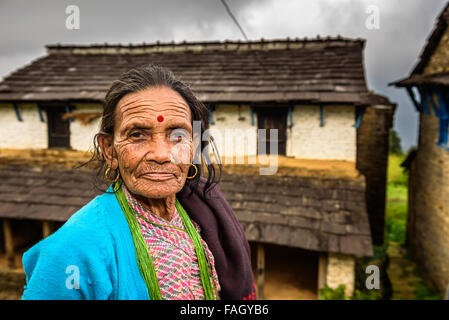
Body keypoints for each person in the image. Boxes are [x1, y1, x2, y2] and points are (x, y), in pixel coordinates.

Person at [21, 64, 256, 300]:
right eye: (137, 135)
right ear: (110, 150)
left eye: (178, 136)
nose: (162, 154)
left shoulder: (203, 215)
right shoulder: (74, 248)